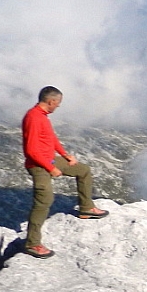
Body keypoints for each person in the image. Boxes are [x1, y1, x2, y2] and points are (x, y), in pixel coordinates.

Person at [21, 86, 109, 258]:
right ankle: (32, 244)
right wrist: (51, 168)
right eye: (58, 103)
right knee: (44, 201)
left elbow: (51, 138)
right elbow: (31, 150)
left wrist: (65, 155)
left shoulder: (43, 117)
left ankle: (86, 208)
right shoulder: (33, 117)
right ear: (51, 101)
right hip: (39, 165)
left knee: (83, 170)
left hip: (51, 160)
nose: (58, 106)